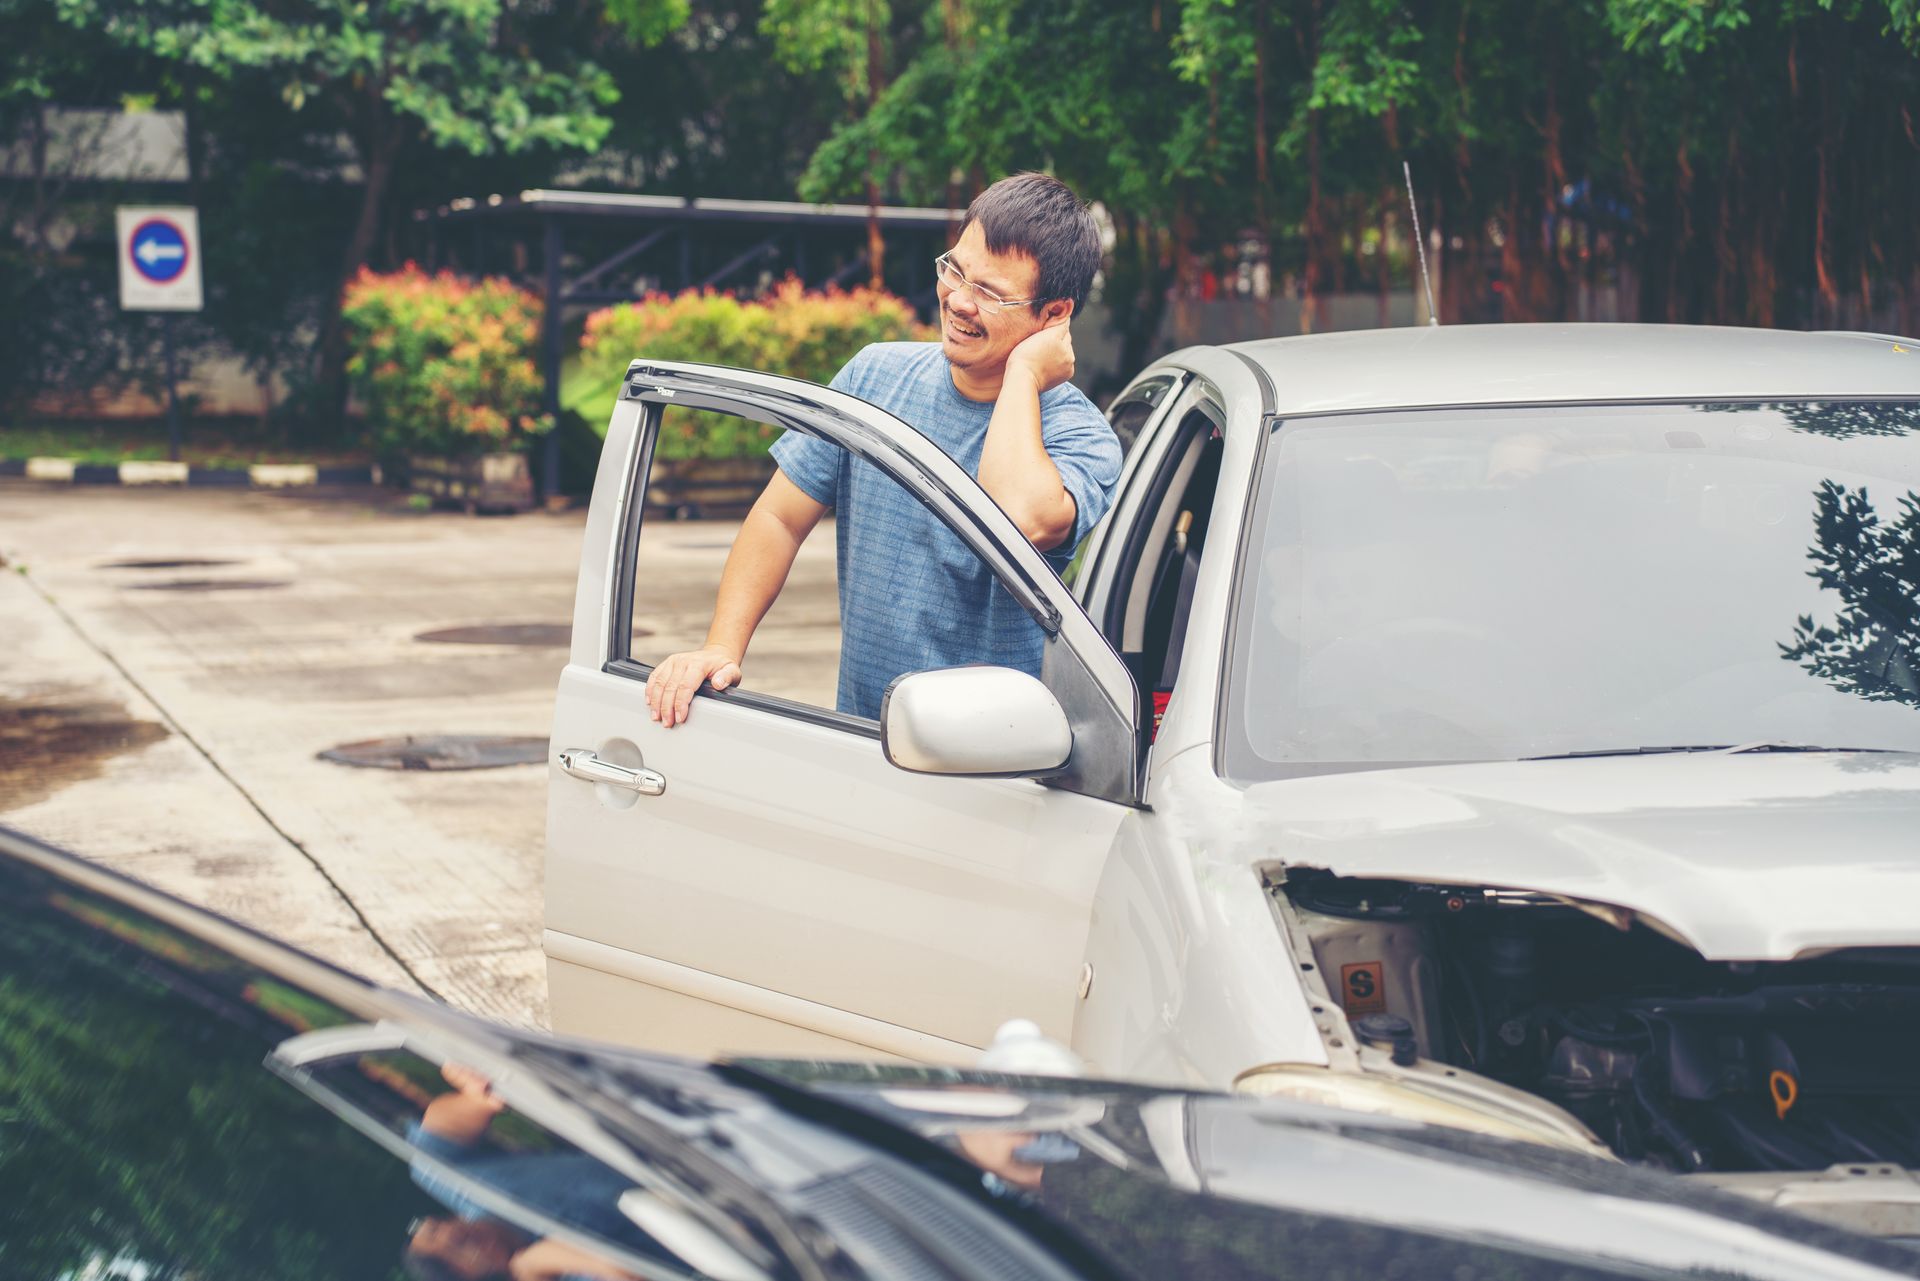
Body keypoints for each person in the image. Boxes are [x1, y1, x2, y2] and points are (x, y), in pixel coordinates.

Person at [646, 171, 1123, 726]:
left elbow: (1016, 518)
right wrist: (721, 647)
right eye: (955, 271)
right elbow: (779, 517)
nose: (959, 301)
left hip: (998, 761)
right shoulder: (874, 376)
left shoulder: (1081, 438)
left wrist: (1022, 373)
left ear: (1055, 314)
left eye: (990, 292)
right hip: (864, 738)